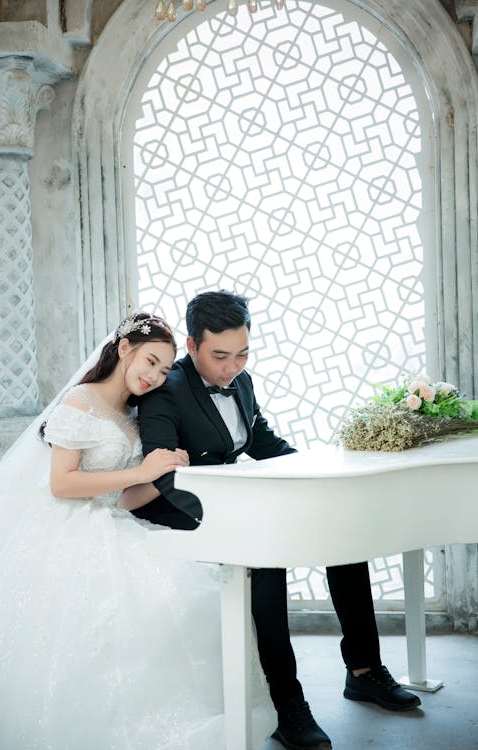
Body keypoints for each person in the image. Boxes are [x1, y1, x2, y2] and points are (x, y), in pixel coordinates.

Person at [129, 290, 421, 750]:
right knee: (263, 559)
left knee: (341, 530)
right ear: (191, 346)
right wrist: (229, 520)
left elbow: (265, 444)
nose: (233, 366)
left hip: (233, 496)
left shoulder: (241, 382)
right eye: (220, 355)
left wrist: (325, 476)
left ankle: (364, 670)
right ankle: (288, 707)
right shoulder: (166, 390)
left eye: (243, 353)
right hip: (177, 506)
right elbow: (163, 475)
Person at [0, 311, 275, 750]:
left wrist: (162, 474)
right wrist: (141, 468)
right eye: (150, 362)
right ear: (124, 349)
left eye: (163, 368)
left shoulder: (133, 414)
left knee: (186, 591)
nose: (155, 376)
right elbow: (63, 484)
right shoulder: (81, 400)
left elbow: (124, 498)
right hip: (62, 526)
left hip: (111, 519)